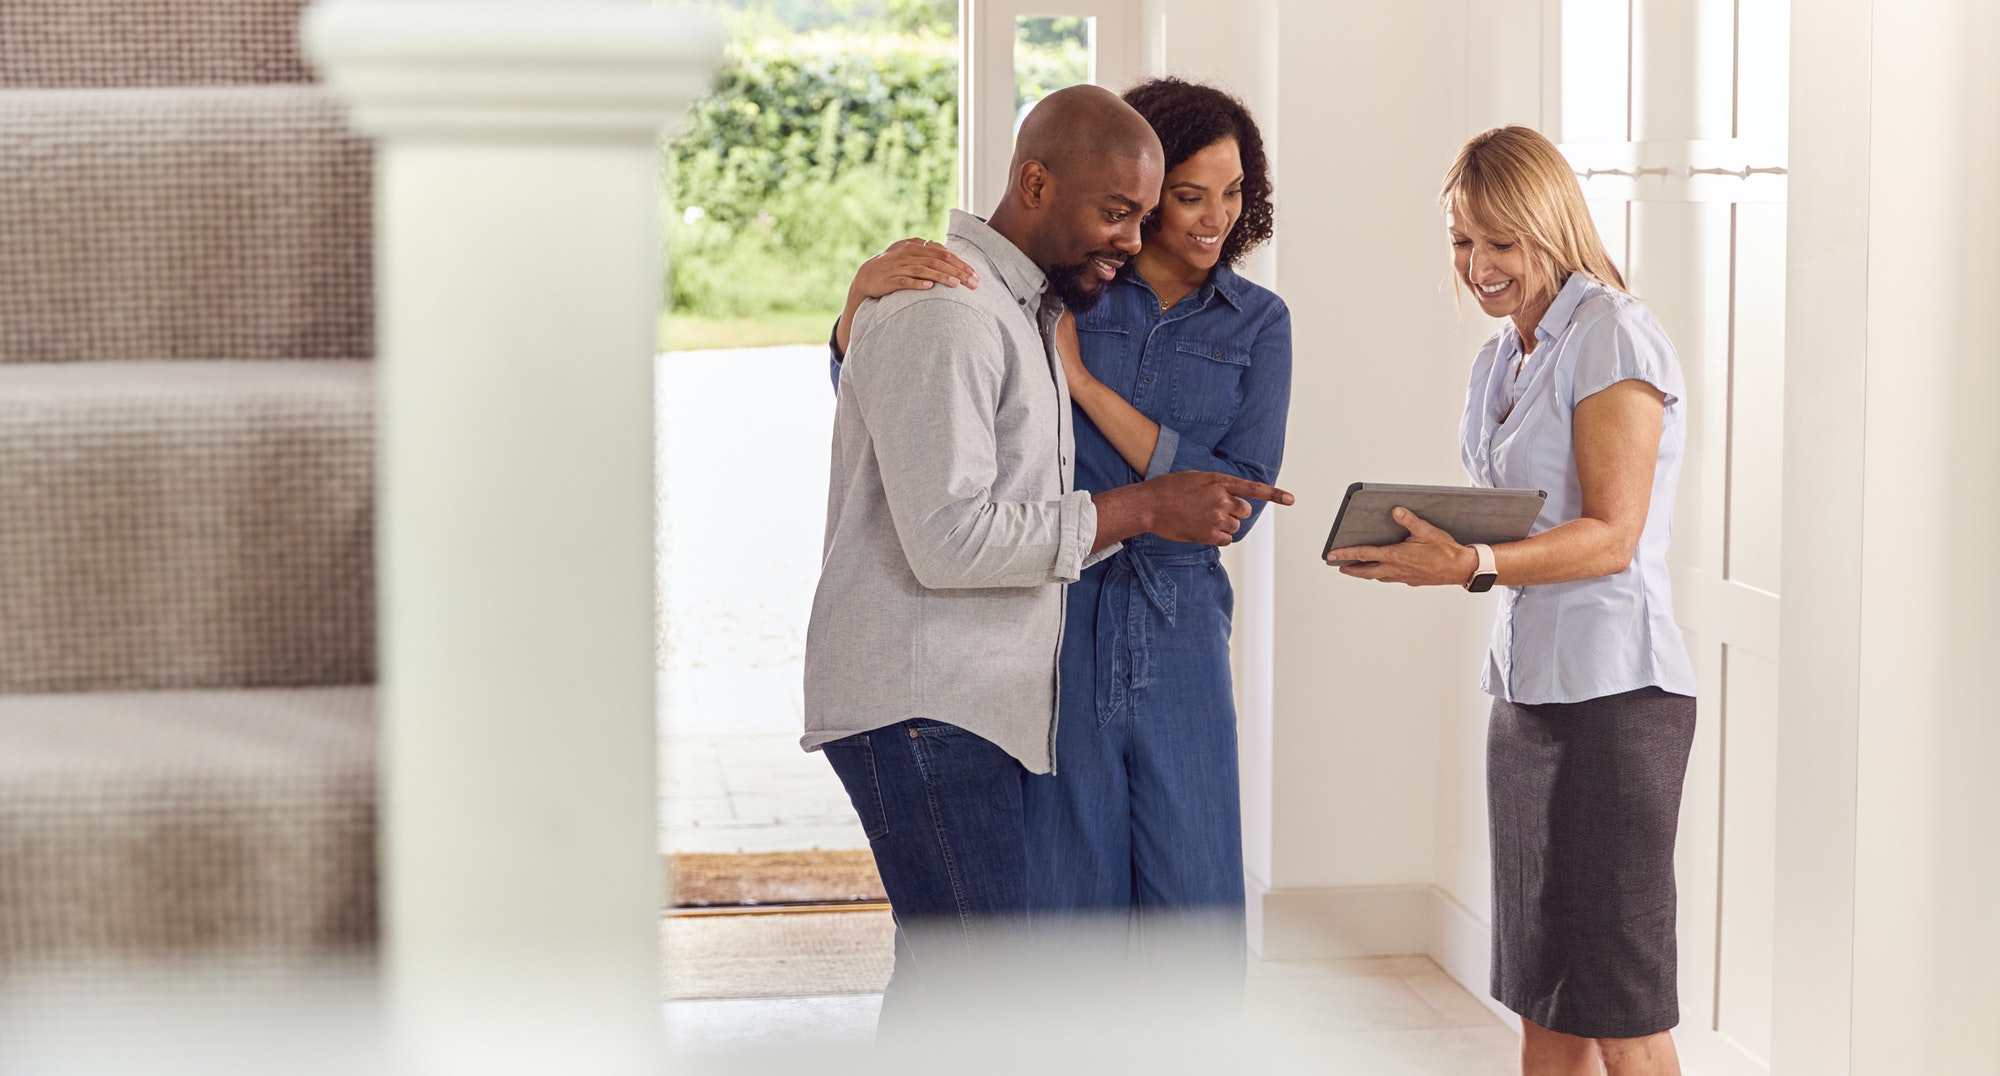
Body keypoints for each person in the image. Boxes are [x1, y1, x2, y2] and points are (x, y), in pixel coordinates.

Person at [802, 83, 1292, 1020]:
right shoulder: (997, 297)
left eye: (1224, 197)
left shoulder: (1059, 300)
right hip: (1009, 649)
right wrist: (848, 318)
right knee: (1022, 957)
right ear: (1038, 183)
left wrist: (1123, 454)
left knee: (1032, 959)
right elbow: (933, 482)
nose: (1197, 221)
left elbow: (1233, 493)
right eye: (1151, 206)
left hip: (1123, 632)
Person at [1326, 125, 1697, 1076]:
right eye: (1462, 240)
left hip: (1616, 701)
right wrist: (1437, 548)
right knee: (1546, 999)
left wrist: (1473, 562)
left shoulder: (1612, 333)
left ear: (1551, 228)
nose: (1479, 265)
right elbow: (1515, 508)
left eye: (1501, 241)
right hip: (1528, 697)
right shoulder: (1506, 355)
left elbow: (1614, 533)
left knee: (1620, 1002)